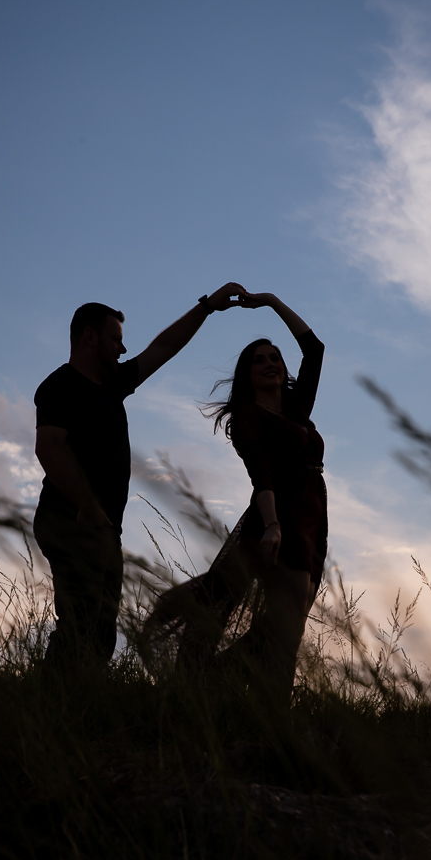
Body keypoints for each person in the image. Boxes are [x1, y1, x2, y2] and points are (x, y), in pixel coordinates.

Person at [33, 284, 248, 670]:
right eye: (115, 339)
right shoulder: (60, 386)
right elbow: (48, 448)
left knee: (100, 628)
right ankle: (51, 702)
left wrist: (207, 308)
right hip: (71, 522)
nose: (122, 348)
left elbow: (162, 349)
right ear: (89, 337)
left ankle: (79, 706)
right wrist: (87, 507)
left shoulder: (112, 386)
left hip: (102, 527)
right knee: (82, 623)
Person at [144, 293, 325, 705]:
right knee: (273, 621)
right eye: (259, 359)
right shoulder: (248, 415)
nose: (271, 363)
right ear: (246, 374)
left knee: (286, 625)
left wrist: (271, 302)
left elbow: (314, 349)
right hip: (278, 517)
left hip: (313, 518)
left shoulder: (297, 410)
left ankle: (222, 679)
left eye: (275, 356)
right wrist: (274, 524)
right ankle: (273, 710)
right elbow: (260, 472)